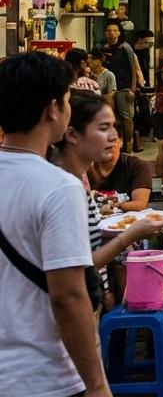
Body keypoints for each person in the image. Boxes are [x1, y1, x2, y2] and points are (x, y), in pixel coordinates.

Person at [0, 53, 112, 397]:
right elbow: (68, 295)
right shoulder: (59, 187)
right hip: (41, 376)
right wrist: (96, 385)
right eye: (66, 100)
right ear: (53, 110)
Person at [50, 90, 163, 303]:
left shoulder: (76, 180)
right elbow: (77, 268)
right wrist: (128, 236)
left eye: (114, 128)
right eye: (103, 128)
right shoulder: (63, 188)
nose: (114, 137)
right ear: (72, 134)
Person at [101, 22, 142, 154]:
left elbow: (133, 68)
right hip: (109, 91)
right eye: (109, 30)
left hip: (124, 89)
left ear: (119, 33)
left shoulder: (126, 48)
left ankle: (128, 149)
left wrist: (133, 89)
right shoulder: (104, 49)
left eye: (114, 30)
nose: (112, 33)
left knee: (127, 119)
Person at [89, 134, 154, 212]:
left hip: (128, 221)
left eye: (112, 140)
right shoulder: (84, 168)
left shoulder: (138, 166)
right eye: (100, 141)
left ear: (121, 142)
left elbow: (140, 204)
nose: (107, 145)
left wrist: (109, 206)